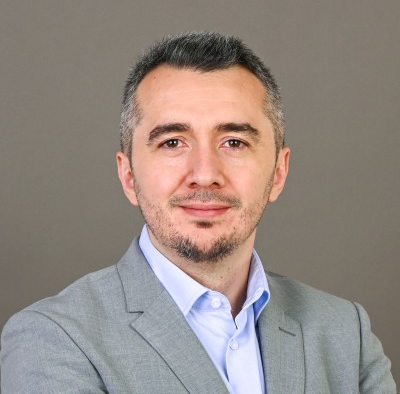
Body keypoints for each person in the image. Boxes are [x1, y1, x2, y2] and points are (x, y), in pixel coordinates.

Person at [0, 32, 396, 393]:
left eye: (234, 142)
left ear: (278, 172)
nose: (205, 174)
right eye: (172, 142)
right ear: (129, 176)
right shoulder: (53, 340)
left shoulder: (347, 333)